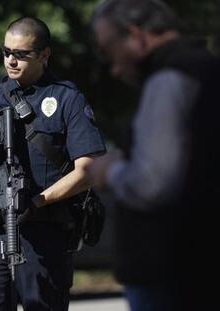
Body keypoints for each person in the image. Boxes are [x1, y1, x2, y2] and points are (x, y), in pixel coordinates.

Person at [0, 16, 105, 311]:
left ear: (44, 55)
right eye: (6, 52)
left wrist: (37, 202)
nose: (11, 61)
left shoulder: (67, 98)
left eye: (21, 54)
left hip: (43, 228)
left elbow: (88, 170)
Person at [85, 0, 219, 310]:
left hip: (171, 270)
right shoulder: (205, 69)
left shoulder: (169, 80)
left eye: (108, 50)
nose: (114, 68)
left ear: (136, 35)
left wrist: (111, 171)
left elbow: (152, 183)